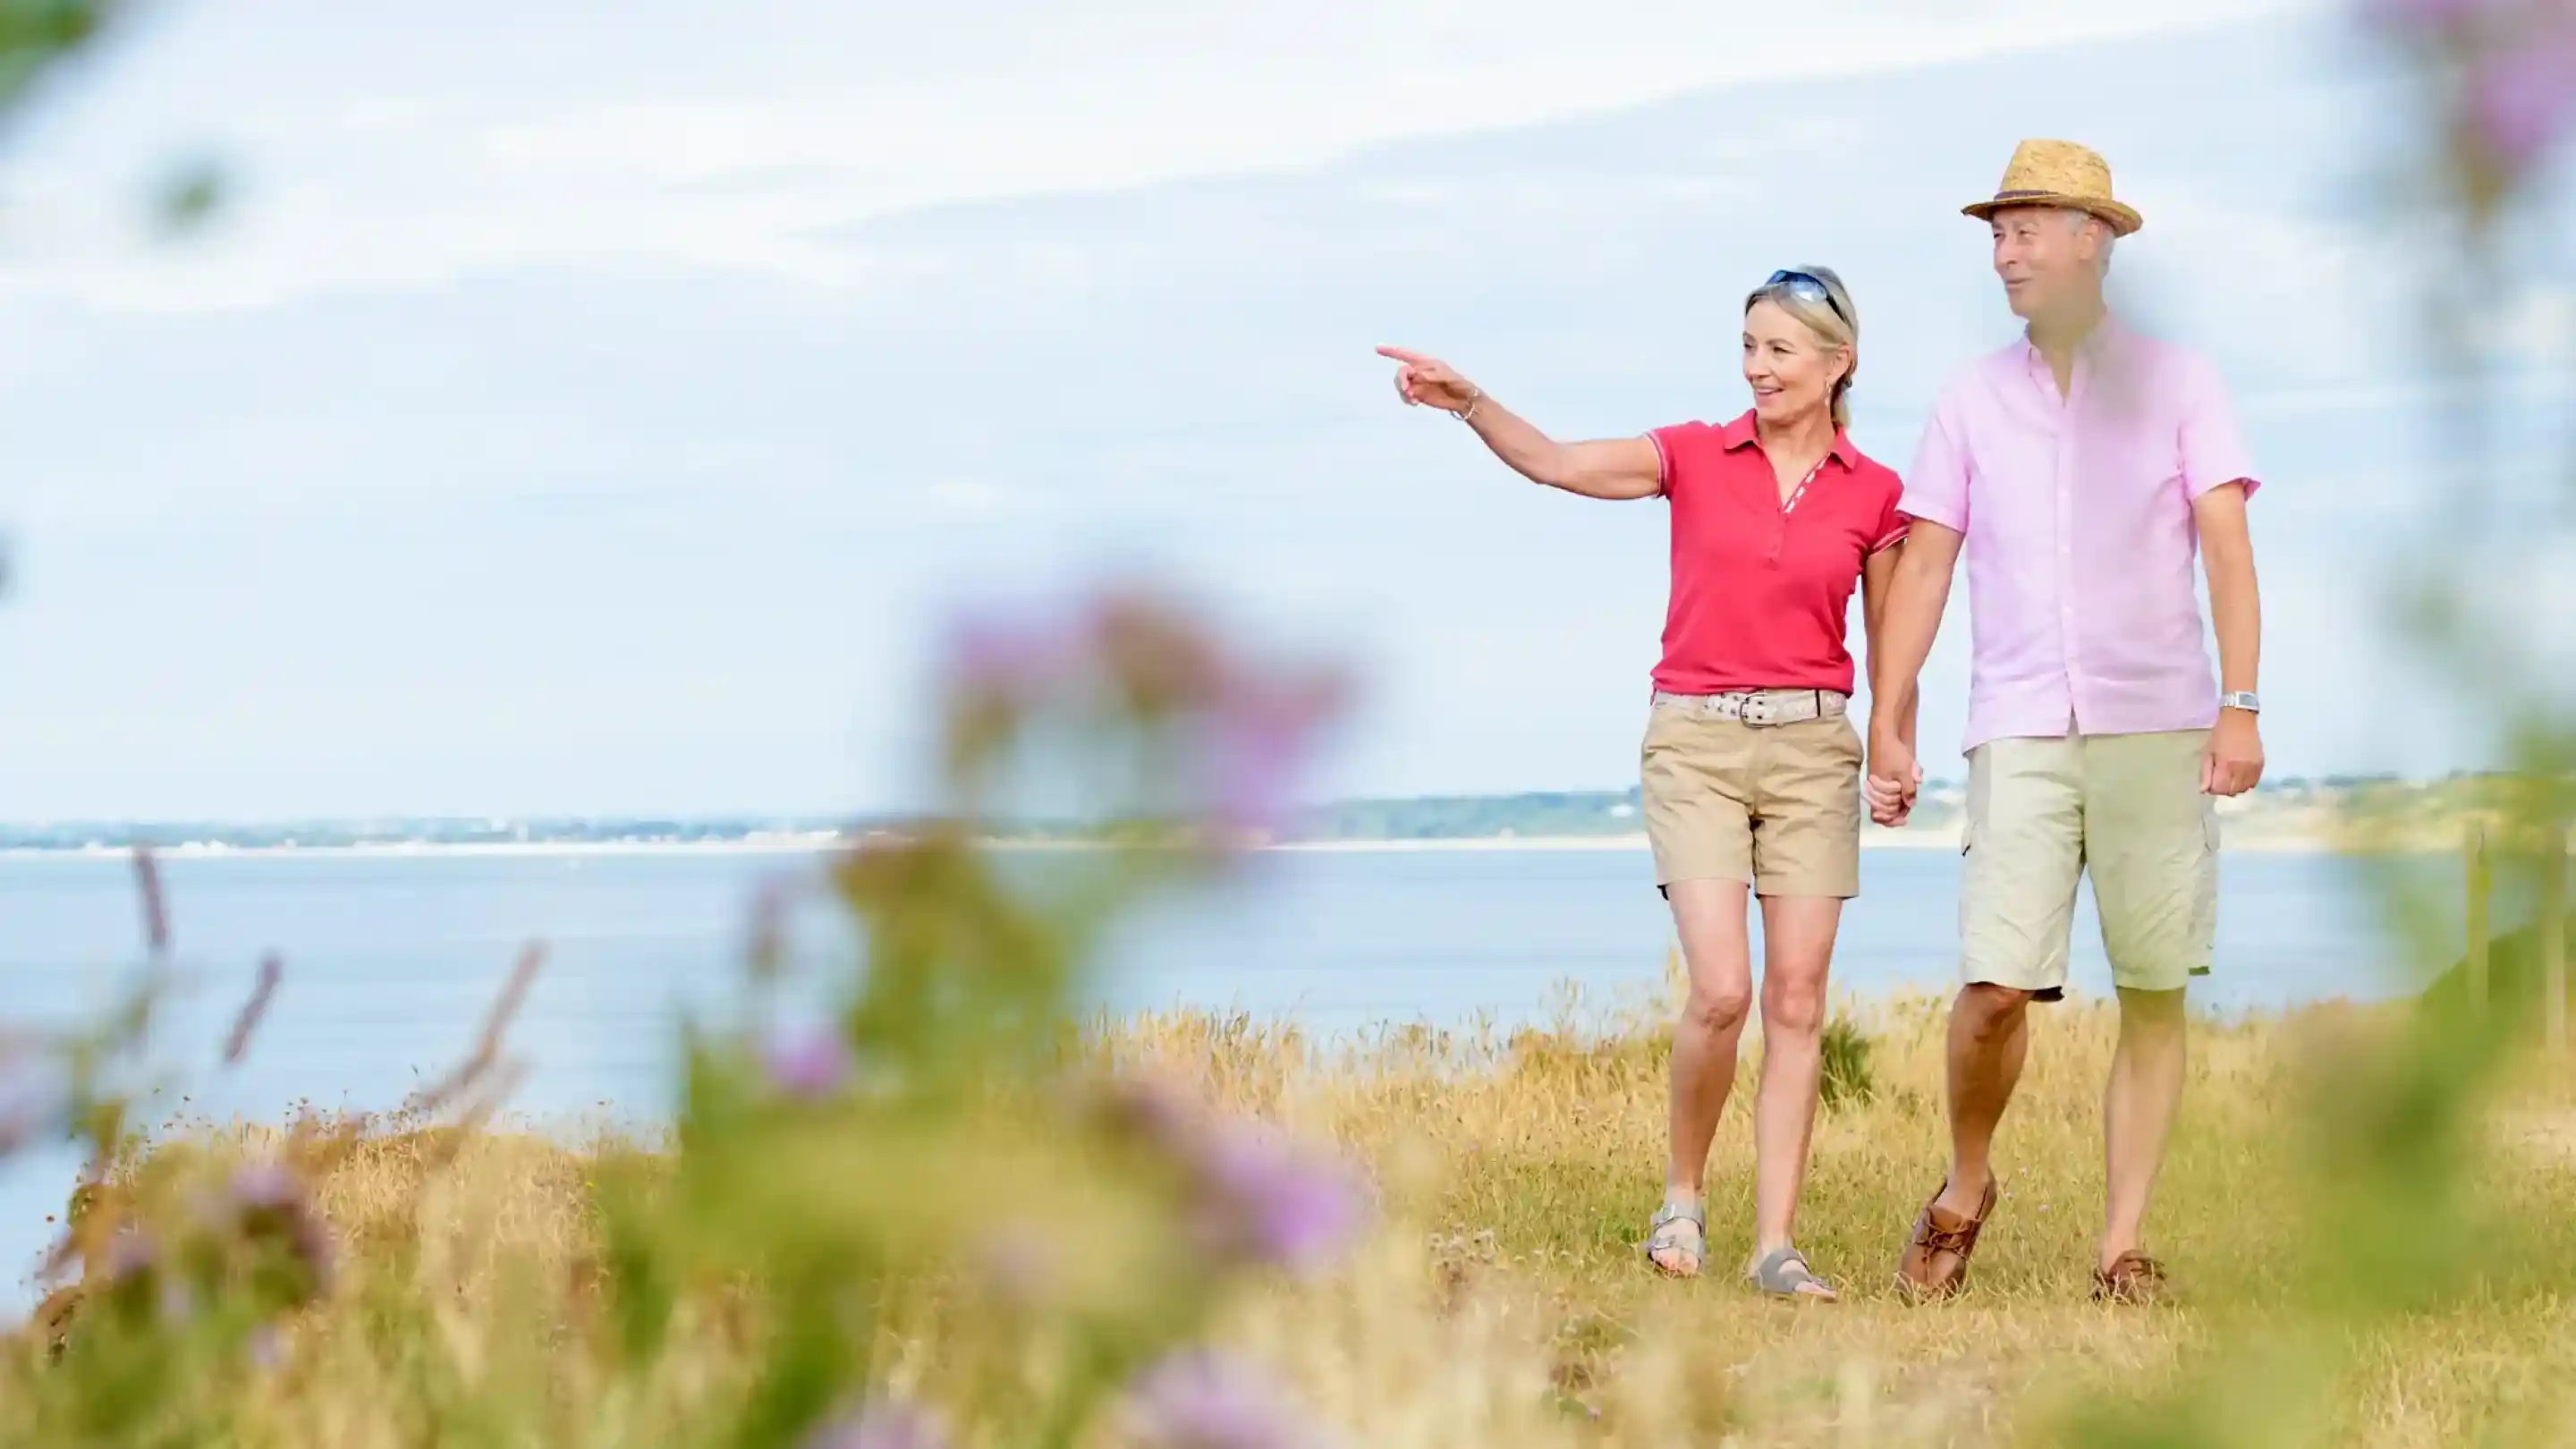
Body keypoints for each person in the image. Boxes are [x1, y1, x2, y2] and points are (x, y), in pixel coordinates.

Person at [1377, 266, 1911, 1301]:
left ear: (1837, 363)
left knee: (1798, 1000)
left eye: (1779, 350)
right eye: (1748, 346)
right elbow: (1562, 465)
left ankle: (1775, 1248)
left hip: (1812, 748)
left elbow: (1895, 643)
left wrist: (1893, 744)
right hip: (1696, 743)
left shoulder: (1875, 491)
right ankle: (1681, 1198)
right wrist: (1472, 402)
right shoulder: (1694, 455)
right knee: (1724, 990)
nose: (1756, 367)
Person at [1865, 140, 2266, 1305]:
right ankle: (1965, 1182)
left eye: (2026, 227)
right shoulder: (1968, 398)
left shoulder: (2183, 383)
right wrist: (1892, 719)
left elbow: (2229, 550)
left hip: (2159, 726)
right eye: (1997, 231)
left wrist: (2238, 705)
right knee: (1994, 986)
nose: (2005, 252)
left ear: (2094, 239)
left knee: (2152, 986)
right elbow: (1927, 561)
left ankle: (2120, 1245)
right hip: (2022, 723)